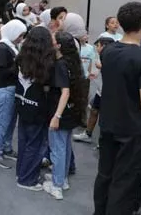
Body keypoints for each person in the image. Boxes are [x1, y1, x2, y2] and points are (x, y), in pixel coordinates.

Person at [93, 2, 141, 215]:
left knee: (105, 176)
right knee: (125, 184)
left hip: (109, 125)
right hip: (134, 132)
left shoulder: (109, 51)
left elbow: (134, 55)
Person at [43, 31, 88, 200]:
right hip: (71, 112)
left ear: (58, 45)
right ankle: (62, 178)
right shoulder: (72, 63)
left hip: (60, 111)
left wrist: (57, 116)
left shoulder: (60, 65)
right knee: (66, 146)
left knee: (58, 149)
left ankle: (57, 185)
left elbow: (65, 92)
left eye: (53, 39)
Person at [14, 26, 56, 191]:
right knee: (36, 144)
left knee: (23, 141)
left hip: (22, 103)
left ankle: (21, 172)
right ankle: (27, 179)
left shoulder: (22, 57)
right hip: (38, 108)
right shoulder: (47, 62)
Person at [0, 20, 27, 169]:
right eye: (20, 35)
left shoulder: (10, 45)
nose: (21, 39)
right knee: (3, 121)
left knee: (10, 121)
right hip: (5, 88)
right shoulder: (3, 48)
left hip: (12, 88)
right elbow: (3, 72)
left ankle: (7, 148)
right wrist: (19, 64)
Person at [74, 37, 115, 143]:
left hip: (108, 92)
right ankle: (88, 133)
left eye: (98, 46)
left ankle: (104, 140)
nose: (96, 48)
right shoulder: (100, 56)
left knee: (105, 116)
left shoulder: (112, 57)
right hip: (100, 90)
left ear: (104, 46)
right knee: (94, 110)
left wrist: (102, 66)